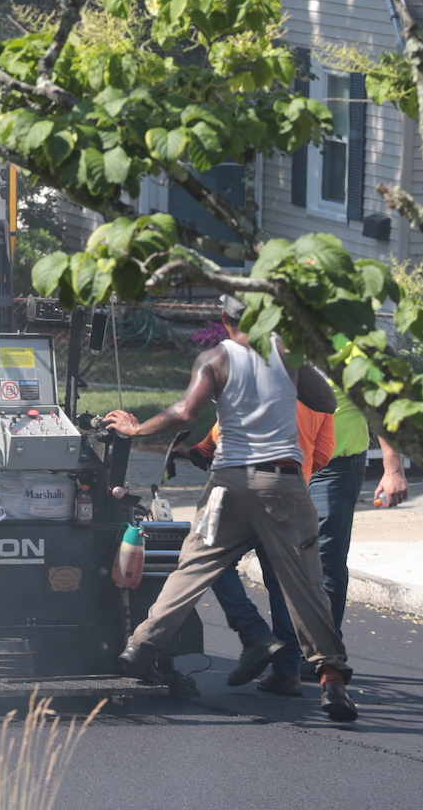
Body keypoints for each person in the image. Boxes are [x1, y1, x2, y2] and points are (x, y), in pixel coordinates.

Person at [106, 296, 359, 723]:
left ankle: (142, 646)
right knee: (305, 582)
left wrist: (137, 428)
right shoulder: (287, 356)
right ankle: (331, 678)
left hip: (227, 486)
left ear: (225, 318)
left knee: (193, 567)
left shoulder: (216, 359)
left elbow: (184, 411)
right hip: (283, 484)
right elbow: (327, 403)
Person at [197, 393, 333, 695]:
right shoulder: (318, 397)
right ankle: (287, 671)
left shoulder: (252, 386)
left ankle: (254, 631)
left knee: (210, 558)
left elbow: (221, 434)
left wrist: (200, 450)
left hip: (245, 495)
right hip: (294, 497)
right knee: (283, 583)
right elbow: (324, 454)